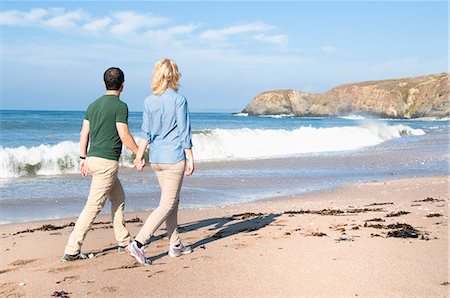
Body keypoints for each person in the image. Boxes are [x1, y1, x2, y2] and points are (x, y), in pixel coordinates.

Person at [61, 67, 139, 261]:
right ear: (123, 86)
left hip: (92, 159)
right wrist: (139, 153)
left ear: (104, 84)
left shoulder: (93, 105)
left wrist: (82, 158)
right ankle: (72, 250)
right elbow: (124, 134)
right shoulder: (120, 106)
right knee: (93, 207)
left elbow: (83, 133)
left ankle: (123, 241)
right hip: (106, 164)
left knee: (119, 197)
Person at [126, 58, 194, 266]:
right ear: (173, 75)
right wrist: (190, 157)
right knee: (168, 203)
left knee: (172, 201)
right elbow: (184, 132)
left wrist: (139, 155)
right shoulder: (179, 100)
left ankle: (175, 244)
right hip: (173, 158)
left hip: (156, 159)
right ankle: (138, 242)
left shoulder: (149, 101)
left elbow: (145, 133)